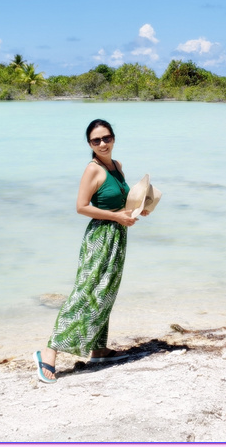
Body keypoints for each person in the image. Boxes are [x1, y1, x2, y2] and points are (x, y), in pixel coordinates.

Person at [34, 119, 150, 383]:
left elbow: (122, 200)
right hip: (100, 235)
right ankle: (49, 352)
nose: (102, 144)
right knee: (85, 291)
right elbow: (81, 207)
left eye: (106, 138)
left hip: (118, 235)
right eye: (96, 140)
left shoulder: (117, 167)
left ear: (113, 138)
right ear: (89, 144)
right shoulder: (92, 169)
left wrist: (137, 208)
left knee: (106, 291)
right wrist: (117, 217)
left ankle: (98, 349)